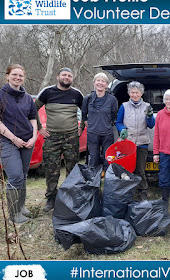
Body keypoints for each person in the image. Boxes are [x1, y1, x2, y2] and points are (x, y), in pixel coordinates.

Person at [35, 67, 83, 212]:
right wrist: (39, 127)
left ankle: (69, 196)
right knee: (51, 169)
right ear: (58, 76)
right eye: (64, 75)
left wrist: (82, 128)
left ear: (72, 78)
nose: (67, 77)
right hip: (52, 137)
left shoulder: (77, 94)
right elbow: (32, 109)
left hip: (71, 137)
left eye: (69, 75)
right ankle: (51, 198)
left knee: (72, 169)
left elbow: (86, 111)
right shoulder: (47, 92)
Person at [0, 64, 37, 223]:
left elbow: (33, 119)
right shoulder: (1, 95)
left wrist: (34, 137)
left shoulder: (27, 97)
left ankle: (21, 207)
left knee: (23, 175)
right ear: (7, 76)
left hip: (27, 141)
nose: (18, 78)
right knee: (15, 176)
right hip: (7, 141)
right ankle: (13, 215)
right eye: (14, 74)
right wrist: (13, 138)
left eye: (20, 75)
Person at [116, 81, 155, 200]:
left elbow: (151, 125)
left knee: (140, 170)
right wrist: (122, 129)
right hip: (128, 142)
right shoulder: (124, 106)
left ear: (141, 93)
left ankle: (143, 193)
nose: (135, 95)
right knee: (128, 170)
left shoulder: (147, 106)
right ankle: (129, 193)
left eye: (137, 92)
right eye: (132, 92)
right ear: (129, 93)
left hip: (142, 143)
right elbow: (118, 122)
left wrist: (149, 117)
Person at [82, 73, 118, 176]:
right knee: (93, 159)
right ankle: (94, 183)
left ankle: (108, 181)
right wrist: (88, 124)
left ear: (107, 85)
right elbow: (84, 114)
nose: (100, 83)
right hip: (92, 134)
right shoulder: (87, 99)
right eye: (98, 80)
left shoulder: (112, 100)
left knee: (108, 158)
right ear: (94, 83)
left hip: (107, 133)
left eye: (103, 81)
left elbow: (113, 114)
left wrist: (106, 123)